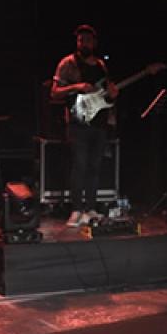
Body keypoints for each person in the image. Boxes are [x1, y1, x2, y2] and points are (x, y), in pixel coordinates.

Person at [50, 24, 117, 227]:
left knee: (94, 167)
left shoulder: (101, 65)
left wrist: (112, 95)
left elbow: (105, 96)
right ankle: (76, 210)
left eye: (87, 40)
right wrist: (76, 86)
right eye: (80, 40)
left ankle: (90, 208)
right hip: (78, 122)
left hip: (99, 122)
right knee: (79, 166)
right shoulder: (68, 63)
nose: (83, 43)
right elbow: (54, 92)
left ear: (94, 42)